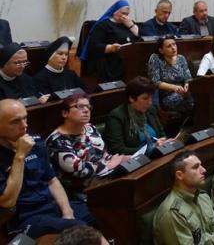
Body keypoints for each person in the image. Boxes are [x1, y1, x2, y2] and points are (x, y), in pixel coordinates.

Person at [0, 99, 95, 238]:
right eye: (15, 121)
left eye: (25, 118)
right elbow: (7, 201)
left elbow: (52, 181)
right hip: (26, 218)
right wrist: (20, 156)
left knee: (100, 211)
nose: (24, 125)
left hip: (51, 205)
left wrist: (67, 212)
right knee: (78, 229)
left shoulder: (36, 142)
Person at [45, 93, 129, 199]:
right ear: (65, 113)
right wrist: (109, 165)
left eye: (88, 106)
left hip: (104, 179)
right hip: (80, 192)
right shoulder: (56, 141)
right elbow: (82, 172)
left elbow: (103, 153)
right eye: (80, 107)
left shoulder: (89, 128)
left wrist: (121, 160)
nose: (86, 110)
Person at [153, 150, 214, 245]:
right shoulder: (173, 214)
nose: (203, 170)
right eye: (196, 167)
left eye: (201, 165)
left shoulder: (203, 197)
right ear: (179, 175)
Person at [103, 76, 172, 155]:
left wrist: (164, 141)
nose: (150, 102)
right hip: (135, 161)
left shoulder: (150, 109)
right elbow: (117, 149)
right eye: (145, 98)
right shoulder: (116, 116)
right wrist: (150, 148)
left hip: (157, 154)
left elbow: (161, 133)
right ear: (131, 98)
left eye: (151, 98)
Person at [80, 0, 140, 82]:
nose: (125, 16)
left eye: (127, 14)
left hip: (128, 62)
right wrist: (110, 48)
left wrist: (131, 25)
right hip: (110, 62)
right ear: (114, 12)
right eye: (122, 13)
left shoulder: (128, 23)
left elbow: (140, 38)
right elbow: (94, 46)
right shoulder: (103, 25)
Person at [147, 36, 193, 127]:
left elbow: (188, 78)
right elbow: (155, 82)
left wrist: (187, 84)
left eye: (174, 44)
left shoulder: (181, 58)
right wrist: (174, 87)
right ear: (161, 50)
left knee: (196, 96)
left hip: (182, 92)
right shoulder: (155, 59)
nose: (173, 48)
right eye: (169, 46)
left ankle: (190, 126)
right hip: (165, 96)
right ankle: (188, 127)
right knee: (190, 100)